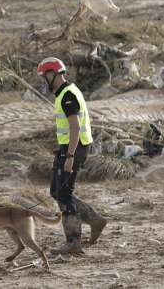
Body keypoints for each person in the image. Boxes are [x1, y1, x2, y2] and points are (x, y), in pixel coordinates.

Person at [37, 57, 107, 254]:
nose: (43, 80)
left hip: (74, 149)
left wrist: (69, 156)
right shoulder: (65, 93)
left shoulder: (68, 96)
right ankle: (94, 220)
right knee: (56, 191)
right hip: (71, 147)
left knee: (64, 194)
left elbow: (75, 126)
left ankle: (73, 242)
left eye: (44, 76)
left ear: (53, 74)